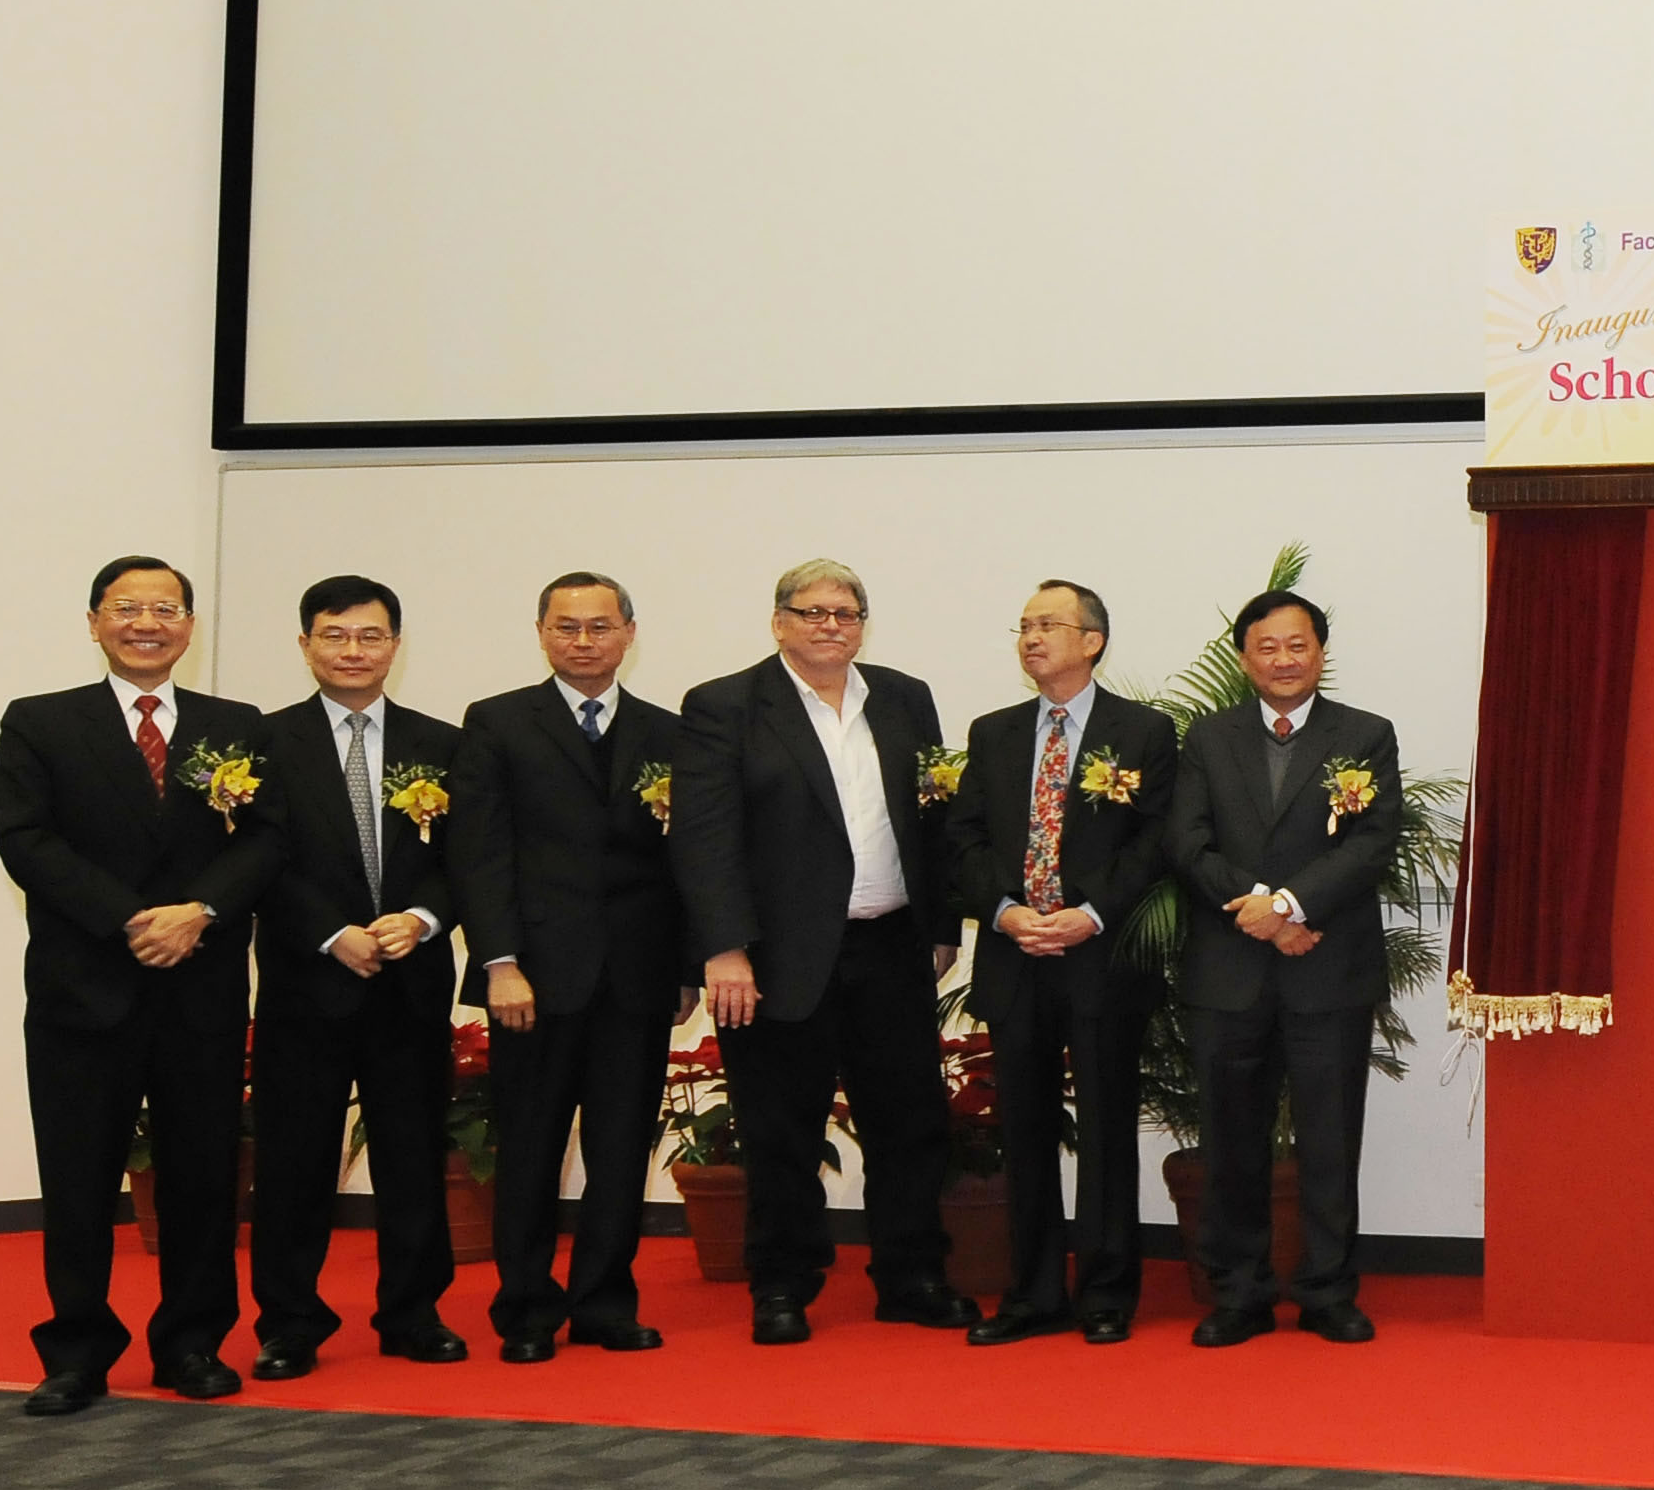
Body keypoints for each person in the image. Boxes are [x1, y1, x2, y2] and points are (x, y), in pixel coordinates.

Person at [0, 557, 284, 1413]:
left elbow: (267, 841)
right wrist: (133, 919)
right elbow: (26, 840)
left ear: (191, 625)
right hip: (83, 987)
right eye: (127, 608)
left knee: (201, 1174)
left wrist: (199, 911)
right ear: (94, 622)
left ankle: (191, 1343)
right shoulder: (41, 722)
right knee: (79, 1178)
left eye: (166, 608)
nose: (146, 622)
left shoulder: (241, 726)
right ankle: (77, 1350)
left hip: (201, 984)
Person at [670, 559, 972, 1344]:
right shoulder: (724, 706)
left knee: (910, 1124)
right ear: (779, 622)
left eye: (846, 612)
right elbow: (705, 840)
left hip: (890, 947)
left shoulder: (904, 698)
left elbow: (930, 822)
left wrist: (941, 926)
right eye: (813, 612)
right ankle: (782, 1284)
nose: (830, 625)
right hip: (775, 960)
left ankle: (912, 1277)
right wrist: (725, 951)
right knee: (780, 1131)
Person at [449, 572, 690, 1362]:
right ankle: (524, 1309)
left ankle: (604, 1304)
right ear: (542, 632)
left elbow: (688, 859)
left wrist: (687, 966)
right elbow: (479, 855)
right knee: (529, 1147)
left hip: (638, 976)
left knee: (621, 1147)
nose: (582, 641)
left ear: (628, 632)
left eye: (598, 627)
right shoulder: (497, 723)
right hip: (534, 977)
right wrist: (499, 962)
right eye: (566, 627)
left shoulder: (668, 731)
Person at [244, 576, 469, 1376]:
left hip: (409, 983)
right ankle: (290, 1323)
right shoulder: (262, 743)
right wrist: (330, 932)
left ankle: (413, 1312)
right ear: (305, 644)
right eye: (334, 636)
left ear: (396, 647)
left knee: (412, 1155)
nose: (353, 651)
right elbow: (257, 861)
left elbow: (464, 859)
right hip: (308, 984)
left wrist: (422, 920)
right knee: (294, 1159)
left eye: (370, 637)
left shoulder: (442, 743)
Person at [946, 581, 1179, 1346]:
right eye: (1024, 626)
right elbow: (966, 839)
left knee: (1109, 1124)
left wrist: (1088, 914)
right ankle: (1033, 1293)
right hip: (1017, 958)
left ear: (1093, 640)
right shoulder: (994, 732)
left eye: (1048, 624)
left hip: (1100, 956)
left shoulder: (1142, 732)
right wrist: (1008, 914)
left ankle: (1107, 1292)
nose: (1031, 638)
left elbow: (1153, 840)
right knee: (1027, 1126)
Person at [1170, 588, 1404, 1347]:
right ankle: (1238, 1294)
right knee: (1231, 1139)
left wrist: (1295, 908)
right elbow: (1188, 843)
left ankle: (1328, 1292)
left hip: (1327, 969)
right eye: (1266, 647)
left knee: (1330, 1139)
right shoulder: (1207, 738)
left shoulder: (1365, 735)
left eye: (1297, 645)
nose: (1283, 660)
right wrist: (1265, 914)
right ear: (1244, 659)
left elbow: (1371, 845)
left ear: (1321, 652)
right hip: (1228, 971)